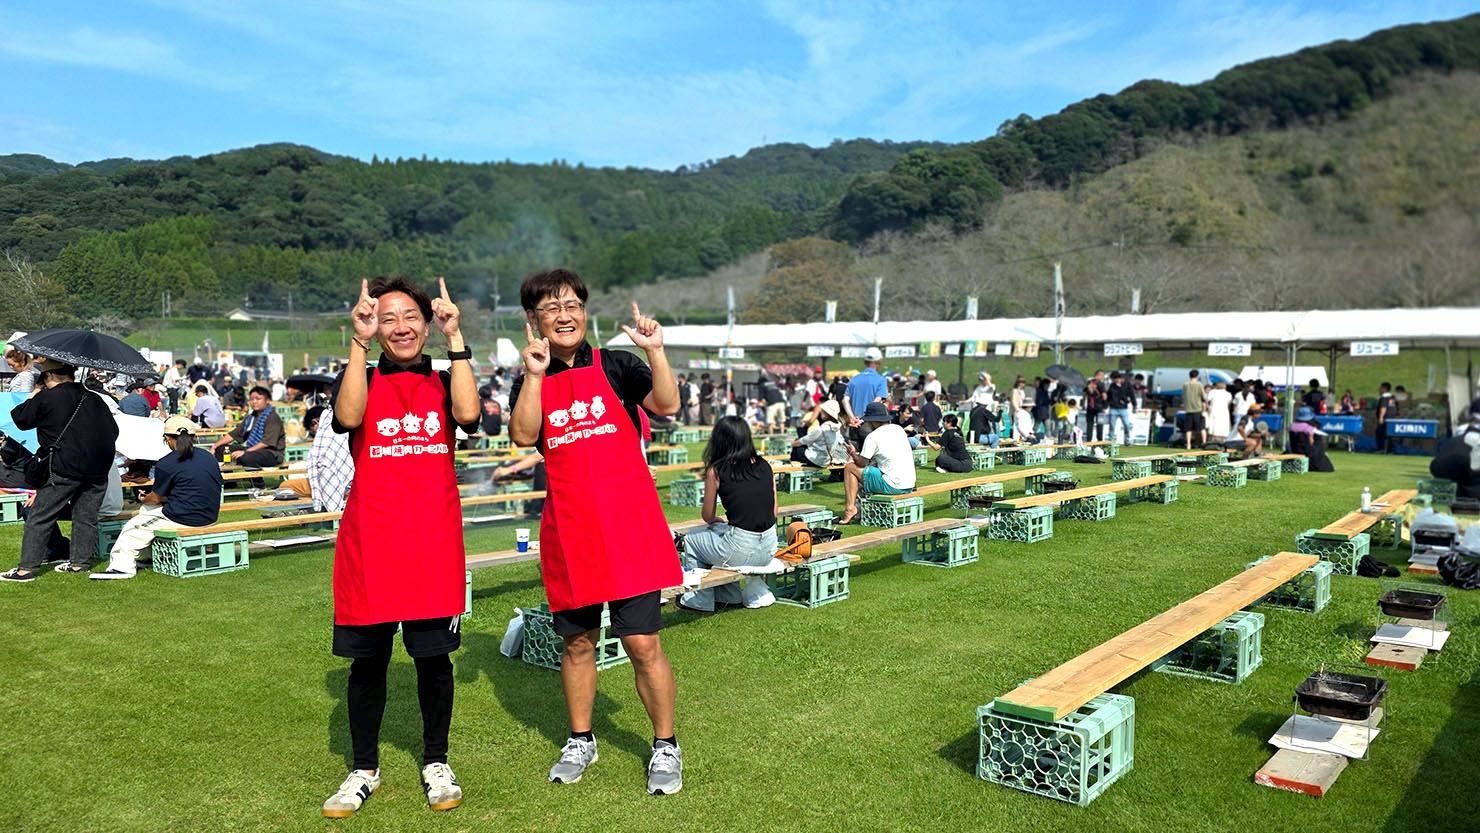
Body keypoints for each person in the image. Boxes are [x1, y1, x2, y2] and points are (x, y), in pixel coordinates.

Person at [507, 268, 685, 796]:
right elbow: (523, 436)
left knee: (642, 642)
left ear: (584, 312)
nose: (564, 316)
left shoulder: (618, 365)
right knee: (578, 643)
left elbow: (667, 405)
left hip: (629, 525)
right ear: (533, 319)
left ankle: (666, 744)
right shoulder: (531, 376)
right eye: (551, 308)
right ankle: (581, 739)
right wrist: (534, 376)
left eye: (572, 305)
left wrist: (655, 351)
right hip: (571, 530)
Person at [318, 276, 479, 818]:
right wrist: (359, 342)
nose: (400, 327)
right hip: (371, 540)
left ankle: (436, 761)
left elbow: (469, 416)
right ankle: (364, 768)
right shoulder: (360, 376)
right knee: (368, 664)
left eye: (410, 316)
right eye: (387, 318)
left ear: (426, 325)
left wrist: (456, 338)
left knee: (433, 660)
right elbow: (347, 419)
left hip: (432, 540)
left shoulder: (445, 377)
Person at [2, 359, 120, 582]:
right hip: (97, 467)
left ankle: (26, 570)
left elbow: (21, 419)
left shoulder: (47, 397)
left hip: (63, 466)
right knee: (85, 517)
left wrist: (35, 393)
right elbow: (113, 431)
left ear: (48, 376)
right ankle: (79, 564)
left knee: (39, 516)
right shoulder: (95, 398)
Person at [91, 417, 224, 580]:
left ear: (166, 438)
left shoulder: (167, 462)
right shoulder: (208, 457)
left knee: (133, 528)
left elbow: (155, 498)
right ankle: (151, 557)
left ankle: (121, 568)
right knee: (147, 513)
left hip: (184, 517)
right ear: (194, 437)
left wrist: (144, 498)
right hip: (210, 516)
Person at [676, 416, 778, 612]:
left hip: (740, 548)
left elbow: (708, 515)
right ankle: (729, 596)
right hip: (769, 548)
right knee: (721, 539)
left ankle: (699, 600)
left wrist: (716, 521)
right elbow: (773, 511)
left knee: (693, 539)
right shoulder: (765, 465)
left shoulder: (716, 470)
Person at [839, 401, 915, 524]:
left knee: (850, 468)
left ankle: (850, 508)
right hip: (909, 484)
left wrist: (852, 453)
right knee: (873, 469)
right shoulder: (899, 429)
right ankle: (868, 509)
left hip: (893, 485)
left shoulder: (873, 437)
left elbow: (862, 463)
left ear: (873, 421)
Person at [211, 386, 285, 468]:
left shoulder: (272, 418)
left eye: (258, 399)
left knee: (246, 457)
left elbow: (266, 443)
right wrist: (214, 446)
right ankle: (227, 474)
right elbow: (233, 435)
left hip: (272, 453)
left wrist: (245, 452)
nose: (254, 402)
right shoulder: (251, 417)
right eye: (252, 399)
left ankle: (255, 476)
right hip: (252, 449)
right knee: (221, 450)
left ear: (267, 400)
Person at [843, 348, 888, 446]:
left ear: (865, 362)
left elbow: (845, 400)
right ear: (879, 362)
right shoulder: (881, 380)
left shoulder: (854, 379)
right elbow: (877, 400)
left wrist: (852, 418)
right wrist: (863, 418)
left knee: (855, 453)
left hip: (854, 424)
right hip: (870, 425)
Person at [790, 400, 848, 468]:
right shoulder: (837, 429)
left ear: (826, 413)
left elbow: (804, 441)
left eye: (822, 411)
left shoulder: (822, 429)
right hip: (826, 461)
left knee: (797, 448)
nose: (820, 412)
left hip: (815, 460)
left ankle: (791, 468)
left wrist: (792, 443)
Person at [1288, 406, 1335, 473]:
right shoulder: (1309, 428)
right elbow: (1311, 442)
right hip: (1311, 457)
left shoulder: (1292, 426)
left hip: (1296, 451)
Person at [1106, 371, 1135, 445]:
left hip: (1123, 408)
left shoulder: (1127, 384)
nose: (1113, 381)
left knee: (1127, 425)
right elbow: (1108, 396)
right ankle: (1110, 441)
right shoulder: (1112, 385)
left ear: (1118, 378)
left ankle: (1127, 440)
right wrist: (1107, 405)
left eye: (1114, 379)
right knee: (1112, 426)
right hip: (1113, 408)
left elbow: (1132, 395)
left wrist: (1134, 405)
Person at [1182, 370, 1207, 450]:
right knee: (1201, 427)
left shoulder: (1185, 385)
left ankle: (1188, 445)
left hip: (1188, 409)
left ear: (1189, 376)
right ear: (1197, 376)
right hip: (1197, 409)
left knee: (1188, 428)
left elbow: (1183, 396)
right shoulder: (1199, 384)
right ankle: (1204, 443)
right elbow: (1204, 396)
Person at [1205, 381, 1232, 445]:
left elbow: (1207, 401)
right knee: (1223, 426)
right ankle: (1223, 441)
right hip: (1224, 411)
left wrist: (1207, 408)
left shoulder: (1212, 392)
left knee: (1213, 425)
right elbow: (1229, 404)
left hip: (1214, 410)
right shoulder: (1228, 394)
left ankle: (1211, 441)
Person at [1082, 375, 1105, 442]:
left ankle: (1099, 440)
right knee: (1090, 424)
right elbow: (1084, 397)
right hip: (1090, 409)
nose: (1092, 384)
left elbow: (1103, 396)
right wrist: (1083, 405)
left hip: (1099, 408)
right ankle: (1089, 440)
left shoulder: (1099, 388)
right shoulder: (1086, 389)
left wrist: (1104, 406)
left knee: (1100, 424)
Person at [1375, 382, 1395, 454]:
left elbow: (1383, 408)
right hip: (1391, 419)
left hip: (1385, 419)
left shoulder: (1384, 397)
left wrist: (1381, 418)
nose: (1379, 389)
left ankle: (1382, 449)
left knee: (1380, 434)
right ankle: (1390, 449)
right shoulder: (1392, 397)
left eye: (1381, 388)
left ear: (1385, 388)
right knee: (1389, 435)